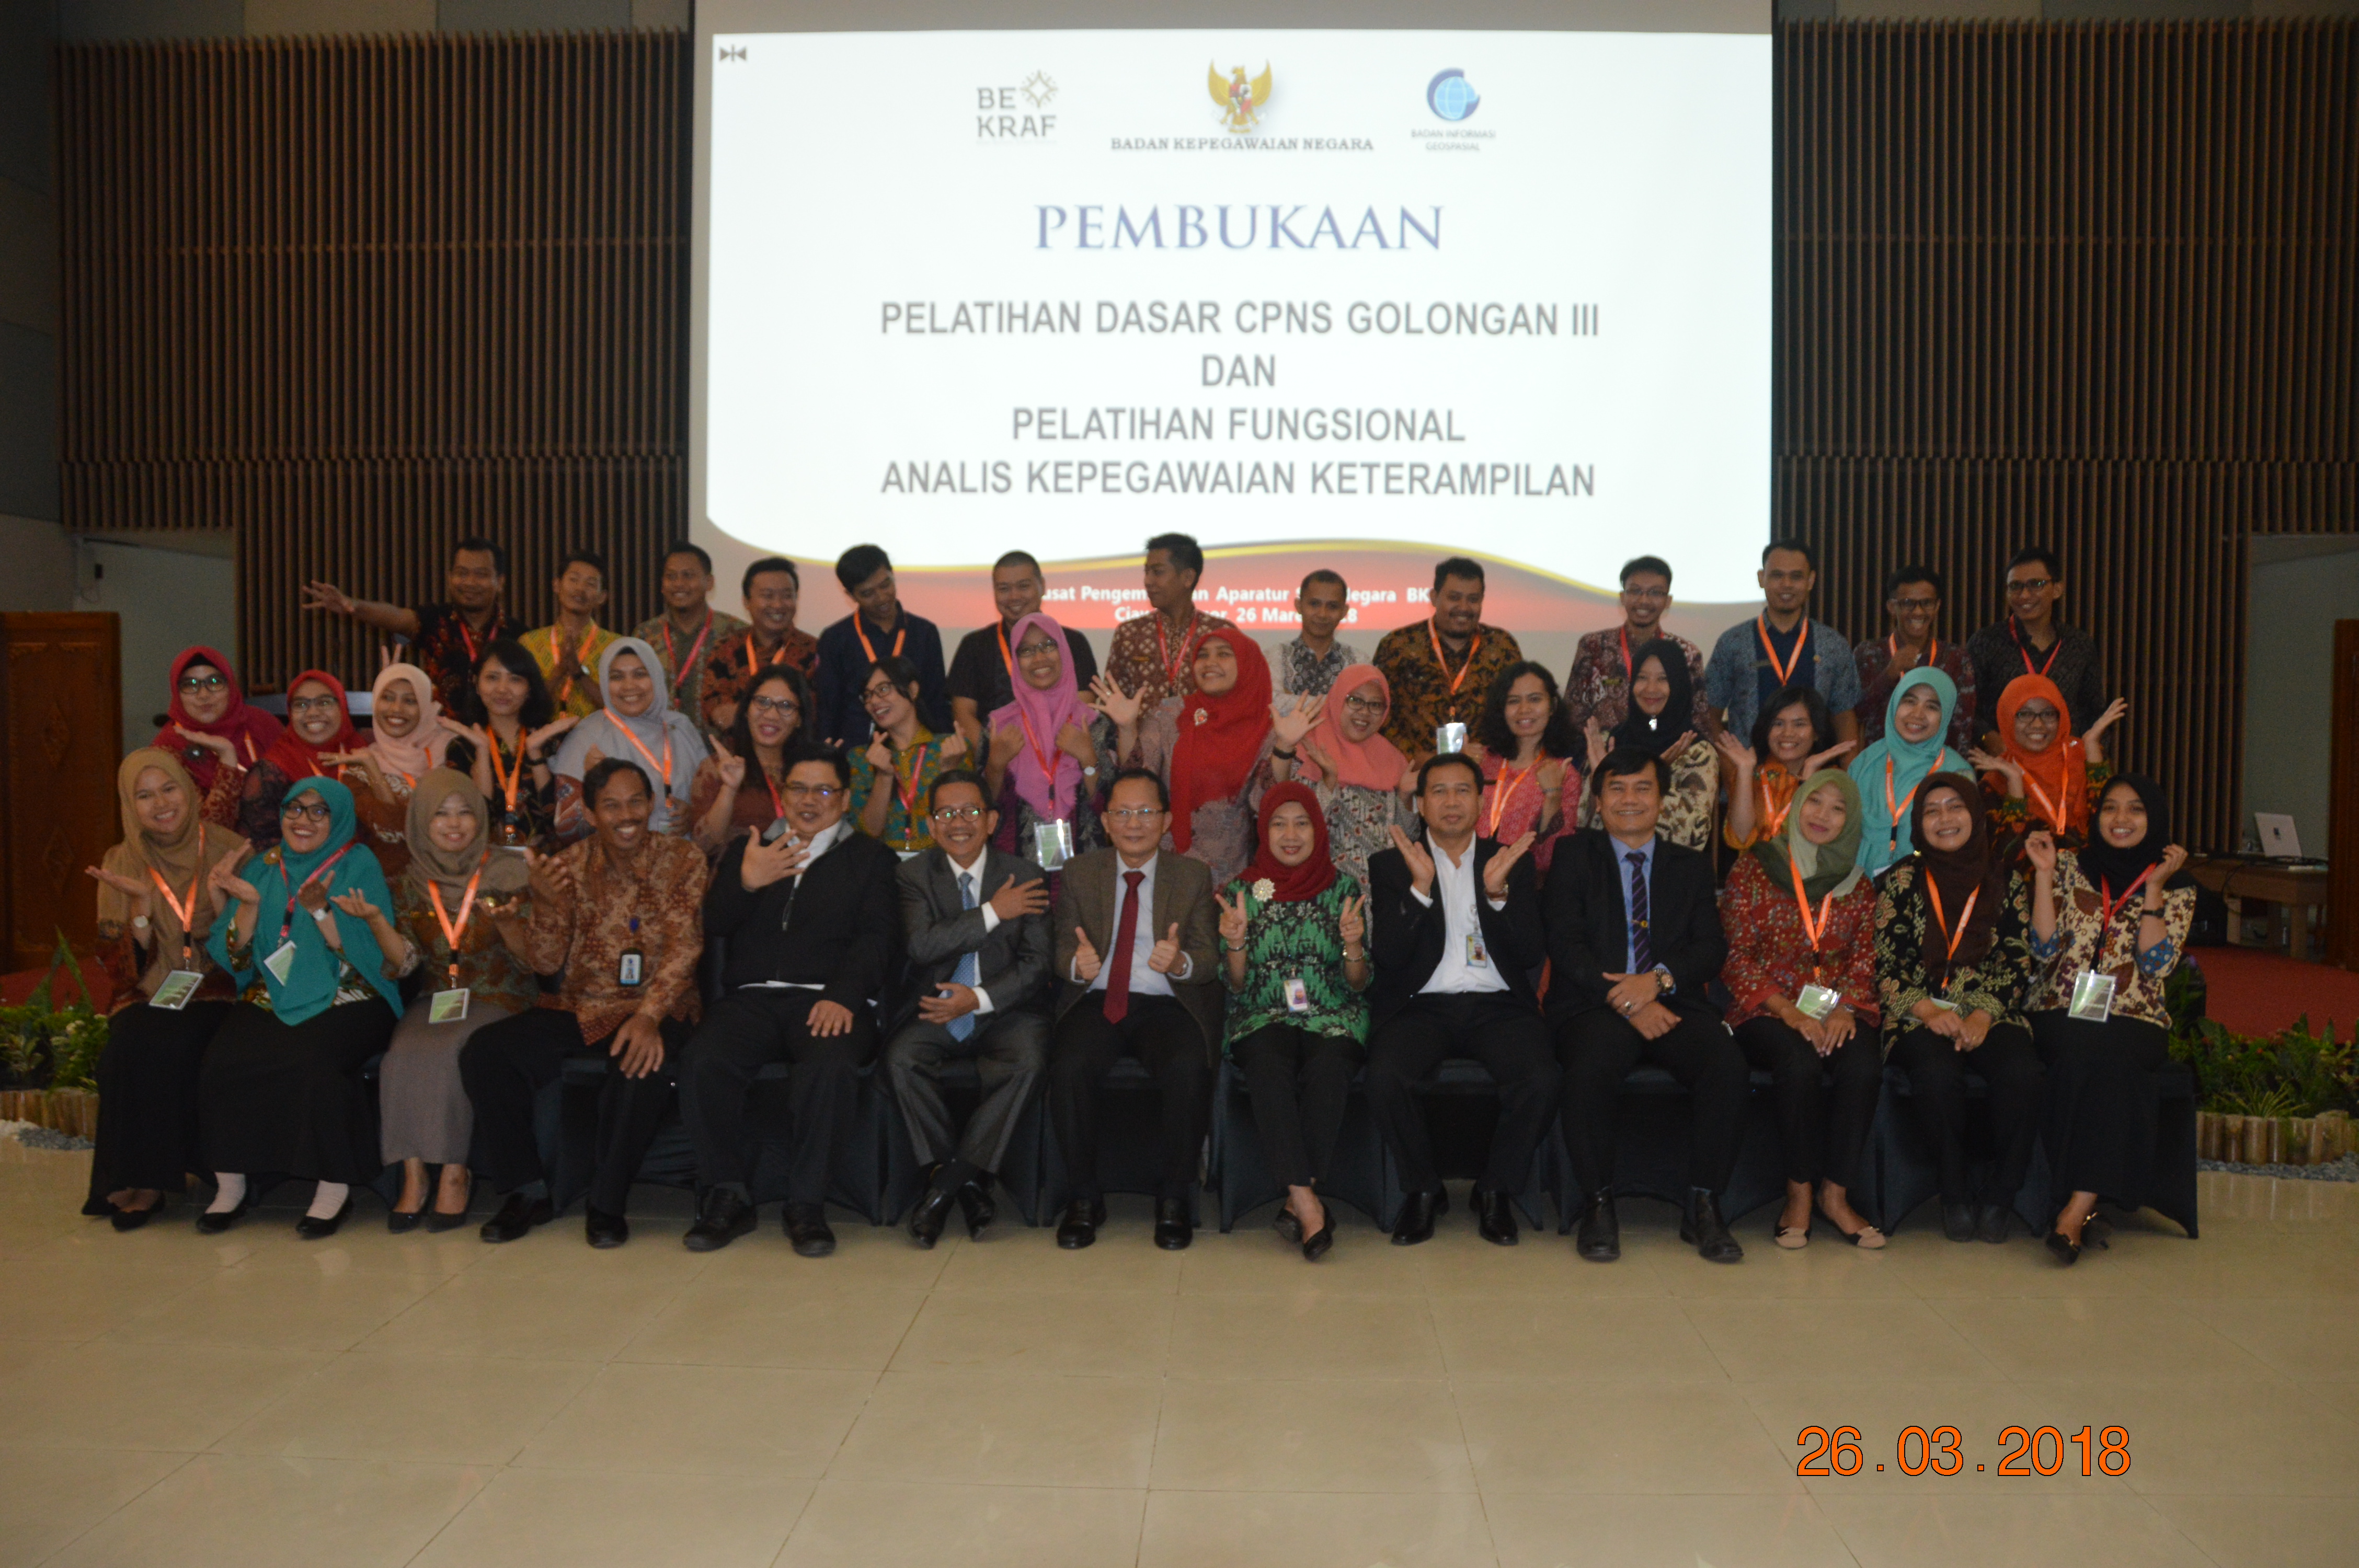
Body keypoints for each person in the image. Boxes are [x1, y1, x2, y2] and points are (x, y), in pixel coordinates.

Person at [462, 758, 708, 1248]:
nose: (626, 815)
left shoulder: (683, 858)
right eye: (611, 806)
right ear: (592, 814)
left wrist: (648, 1017)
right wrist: (545, 902)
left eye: (636, 802)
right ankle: (526, 1190)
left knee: (639, 1065)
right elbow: (545, 960)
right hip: (582, 1006)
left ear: (652, 804)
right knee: (485, 1052)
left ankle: (607, 1204)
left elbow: (685, 948)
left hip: (659, 1004)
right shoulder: (569, 866)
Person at [679, 746, 902, 1258]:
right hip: (752, 998)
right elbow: (715, 923)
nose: (809, 800)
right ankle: (728, 1195)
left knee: (831, 1065)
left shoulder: (871, 859)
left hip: (828, 999)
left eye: (823, 790)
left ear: (844, 799)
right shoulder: (751, 847)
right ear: (783, 794)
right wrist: (747, 882)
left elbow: (879, 939)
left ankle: (807, 1204)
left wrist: (845, 996)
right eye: (798, 788)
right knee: (702, 1060)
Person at [1548, 748, 1745, 1264]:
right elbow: (1565, 944)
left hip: (1672, 1000)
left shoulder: (1690, 865)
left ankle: (1704, 1205)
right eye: (1616, 788)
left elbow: (1710, 948)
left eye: (1642, 788)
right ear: (1598, 801)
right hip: (1594, 1003)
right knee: (1590, 1065)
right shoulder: (1573, 857)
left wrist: (1654, 984)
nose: (1629, 799)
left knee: (1725, 1064)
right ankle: (1597, 1204)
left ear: (1662, 800)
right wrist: (1629, 1001)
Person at [197, 777, 403, 1238]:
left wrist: (323, 913)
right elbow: (236, 959)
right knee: (223, 1059)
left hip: (350, 991)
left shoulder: (358, 863)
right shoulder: (265, 866)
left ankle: (332, 1189)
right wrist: (247, 906)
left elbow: (374, 954)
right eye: (295, 808)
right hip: (274, 991)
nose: (302, 820)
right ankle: (231, 1186)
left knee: (315, 1060)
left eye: (318, 811)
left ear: (339, 818)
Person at [1362, 753, 1553, 1247]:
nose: (1451, 802)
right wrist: (1420, 891)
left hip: (1497, 1004)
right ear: (1421, 804)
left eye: (1462, 790)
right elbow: (1388, 956)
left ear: (1481, 802)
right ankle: (1424, 1190)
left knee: (1541, 1077)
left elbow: (1530, 953)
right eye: (1439, 792)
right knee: (1385, 1075)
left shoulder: (1508, 859)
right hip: (1421, 1005)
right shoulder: (1391, 864)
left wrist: (1498, 896)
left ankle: (1495, 1190)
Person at [341, 770, 536, 1231]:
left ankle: (453, 1172)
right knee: (402, 1054)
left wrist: (508, 924)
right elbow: (407, 961)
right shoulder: (410, 881)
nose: (454, 824)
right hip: (438, 998)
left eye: (465, 812)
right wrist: (377, 922)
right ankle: (414, 1176)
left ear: (480, 818)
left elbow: (534, 961)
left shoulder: (510, 872)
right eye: (440, 814)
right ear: (421, 823)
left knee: (450, 1050)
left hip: (501, 993)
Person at [1047, 768, 1221, 1252]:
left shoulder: (1192, 875)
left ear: (1165, 821)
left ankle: (1175, 1197)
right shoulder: (1080, 872)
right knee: (1068, 1065)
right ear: (1105, 822)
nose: (1134, 823)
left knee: (1188, 1064)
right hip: (1098, 997)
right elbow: (1061, 947)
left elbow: (1208, 957)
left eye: (1146, 812)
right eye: (1122, 813)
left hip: (1166, 1000)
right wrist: (1076, 965)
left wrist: (1181, 962)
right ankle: (1084, 1198)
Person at [2024, 775, 2195, 1264]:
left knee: (2111, 1057)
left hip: (2136, 1015)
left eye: (2136, 809)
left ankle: (2073, 1209)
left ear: (2154, 818)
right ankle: (2079, 1205)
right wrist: (2043, 876)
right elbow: (2044, 950)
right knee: (2089, 1054)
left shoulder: (2179, 886)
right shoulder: (2068, 867)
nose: (2121, 819)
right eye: (2111, 808)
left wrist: (2154, 888)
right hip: (2059, 1006)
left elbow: (2157, 965)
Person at [1717, 770, 1885, 1247]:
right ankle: (1799, 1194)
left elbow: (1864, 959)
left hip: (1836, 1010)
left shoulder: (1858, 885)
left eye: (1838, 809)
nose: (1823, 816)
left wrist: (1844, 1009)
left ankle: (1836, 1194)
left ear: (1851, 822)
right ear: (1797, 806)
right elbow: (1736, 956)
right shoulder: (1755, 868)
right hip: (1766, 1010)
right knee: (1799, 1063)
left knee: (1863, 1065)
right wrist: (1791, 1014)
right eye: (1815, 802)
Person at [82, 750, 249, 1229]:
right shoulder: (121, 861)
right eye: (144, 795)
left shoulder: (228, 850)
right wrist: (140, 912)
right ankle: (133, 1178)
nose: (160, 804)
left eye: (169, 789)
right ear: (129, 805)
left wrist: (220, 906)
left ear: (190, 791)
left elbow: (251, 947)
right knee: (124, 1047)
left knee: (165, 1043)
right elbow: (120, 972)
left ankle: (150, 1181)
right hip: (150, 989)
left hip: (218, 988)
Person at [887, 769, 1053, 1248]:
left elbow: (1037, 964)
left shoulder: (1026, 875)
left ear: (992, 820)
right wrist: (995, 911)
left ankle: (946, 1185)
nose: (958, 822)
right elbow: (923, 945)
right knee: (901, 1059)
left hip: (1007, 1009)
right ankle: (971, 1186)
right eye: (946, 813)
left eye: (971, 812)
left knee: (1028, 1060)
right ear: (931, 825)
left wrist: (978, 999)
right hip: (937, 1006)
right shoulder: (913, 875)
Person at [1874, 774, 2043, 1244]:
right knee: (1935, 1073)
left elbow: (2016, 958)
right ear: (1918, 823)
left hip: (1991, 1010)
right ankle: (1953, 1192)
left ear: (1975, 814)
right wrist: (1927, 1011)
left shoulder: (2004, 880)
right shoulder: (1901, 881)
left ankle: (2002, 1194)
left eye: (1955, 807)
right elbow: (1886, 963)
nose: (1944, 818)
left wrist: (1983, 1014)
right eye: (1932, 811)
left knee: (2022, 1073)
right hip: (1917, 1010)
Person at [1217, 782, 1370, 1260]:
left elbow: (1358, 984)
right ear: (1263, 832)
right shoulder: (1243, 891)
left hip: (1332, 1012)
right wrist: (1236, 943)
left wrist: (1353, 946)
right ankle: (1307, 1202)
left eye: (1301, 823)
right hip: (1261, 1012)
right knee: (1268, 1067)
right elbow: (1235, 985)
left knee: (1330, 1064)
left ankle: (1297, 1200)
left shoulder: (1343, 888)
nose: (1290, 835)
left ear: (1318, 830)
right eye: (1278, 824)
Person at [1101, 628, 1280, 888]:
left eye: (1224, 654)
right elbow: (1138, 780)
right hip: (1165, 871)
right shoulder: (1170, 713)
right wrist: (1127, 728)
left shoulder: (1266, 729)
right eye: (1203, 655)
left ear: (1247, 664)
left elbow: (1267, 803)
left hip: (1230, 876)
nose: (1210, 662)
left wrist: (1285, 747)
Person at [303, 536, 513, 715]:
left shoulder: (519, 637)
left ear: (501, 582)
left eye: (481, 575)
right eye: (462, 573)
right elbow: (397, 618)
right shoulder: (435, 620)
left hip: (501, 741)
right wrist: (354, 606)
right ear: (450, 578)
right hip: (439, 739)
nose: (470, 582)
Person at [980, 611, 1109, 881]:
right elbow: (984, 810)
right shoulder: (999, 727)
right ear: (1016, 660)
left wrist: (1088, 758)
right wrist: (995, 765)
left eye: (1048, 646)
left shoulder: (1093, 723)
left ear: (1064, 651)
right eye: (1026, 651)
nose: (1039, 658)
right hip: (1016, 872)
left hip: (1088, 870)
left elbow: (1110, 808)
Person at [1706, 538, 1862, 751]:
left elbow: (1844, 715)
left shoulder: (1833, 645)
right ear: (1762, 578)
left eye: (1796, 577)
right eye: (1777, 575)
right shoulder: (1733, 642)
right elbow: (1710, 713)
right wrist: (1730, 765)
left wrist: (1850, 769)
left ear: (1811, 580)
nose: (1787, 584)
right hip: (1748, 767)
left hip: (1814, 768)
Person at [549, 639, 711, 840]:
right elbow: (565, 828)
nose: (629, 686)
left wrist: (695, 815)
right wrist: (593, 784)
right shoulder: (587, 737)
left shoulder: (680, 727)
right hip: (617, 857)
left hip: (683, 853)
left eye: (640, 674)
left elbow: (711, 799)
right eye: (617, 677)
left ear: (656, 677)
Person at [1272, 662, 1413, 892]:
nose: (1364, 712)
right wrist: (1329, 779)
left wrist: (1405, 798)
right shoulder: (1306, 749)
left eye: (1376, 705)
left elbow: (1407, 837)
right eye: (1355, 700)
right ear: (1337, 699)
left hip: (1381, 891)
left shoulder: (1393, 759)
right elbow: (1296, 828)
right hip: (1323, 891)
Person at [946, 551, 1101, 758]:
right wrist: (993, 757)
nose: (1014, 597)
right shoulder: (974, 645)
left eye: (1023, 586)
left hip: (1062, 758)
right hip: (996, 760)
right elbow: (963, 713)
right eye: (1004, 589)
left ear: (1042, 586)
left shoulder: (1072, 642)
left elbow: (1083, 707)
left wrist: (1045, 760)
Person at [1371, 556, 1523, 760]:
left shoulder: (1502, 646)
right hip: (1414, 771)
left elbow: (1517, 711)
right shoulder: (1399, 645)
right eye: (1454, 598)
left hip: (1487, 770)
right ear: (1434, 598)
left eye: (1473, 599)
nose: (1464, 607)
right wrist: (1422, 760)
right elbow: (1380, 714)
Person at [1578, 639, 1717, 852]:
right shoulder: (1608, 743)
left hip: (1669, 868)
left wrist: (1656, 776)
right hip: (1603, 864)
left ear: (1678, 683)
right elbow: (1582, 824)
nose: (1651, 689)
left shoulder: (1696, 752)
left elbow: (1690, 837)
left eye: (1663, 679)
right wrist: (1598, 782)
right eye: (1642, 678)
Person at [441, 639, 574, 850]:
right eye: (492, 678)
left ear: (530, 688)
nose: (502, 689)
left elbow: (564, 821)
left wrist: (536, 756)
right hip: (486, 862)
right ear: (476, 683)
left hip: (548, 860)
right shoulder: (462, 748)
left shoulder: (554, 741)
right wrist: (482, 755)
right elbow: (471, 824)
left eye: (515, 679)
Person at [1967, 674, 2126, 846]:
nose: (2038, 725)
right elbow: (2005, 852)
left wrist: (2092, 745)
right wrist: (2015, 784)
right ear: (2007, 717)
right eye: (2025, 714)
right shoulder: (1997, 777)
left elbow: (2111, 823)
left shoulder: (2084, 755)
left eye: (2048, 714)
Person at [1561, 556, 1712, 737]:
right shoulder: (1594, 646)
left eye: (1655, 593)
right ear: (1622, 597)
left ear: (1668, 601)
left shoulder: (1686, 653)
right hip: (1604, 751)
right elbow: (1573, 715)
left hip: (1668, 750)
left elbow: (1699, 720)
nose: (1644, 601)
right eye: (1635, 591)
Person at [814, 544, 948, 746]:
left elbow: (935, 700)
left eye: (886, 585)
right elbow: (829, 710)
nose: (882, 598)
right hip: (856, 749)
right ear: (851, 595)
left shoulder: (923, 633)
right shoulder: (835, 639)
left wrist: (943, 746)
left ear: (893, 575)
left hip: (917, 749)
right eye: (868, 593)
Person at [1966, 546, 2106, 739]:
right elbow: (1967, 707)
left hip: (2064, 755)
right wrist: (1992, 742)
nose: (2024, 595)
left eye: (2036, 584)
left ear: (2057, 589)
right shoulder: (1985, 643)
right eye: (2015, 586)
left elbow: (2093, 711)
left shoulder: (2079, 645)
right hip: (2003, 754)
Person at [1849, 668, 1972, 877]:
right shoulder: (1866, 763)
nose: (1917, 714)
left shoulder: (1957, 772)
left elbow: (1965, 844)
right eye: (1909, 701)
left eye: (1932, 707)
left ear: (1945, 715)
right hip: (1858, 883)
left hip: (1928, 882)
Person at [340, 662, 453, 883]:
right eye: (387, 698)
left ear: (425, 705)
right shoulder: (358, 771)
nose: (396, 709)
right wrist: (373, 769)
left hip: (448, 882)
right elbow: (391, 833)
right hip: (383, 885)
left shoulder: (450, 755)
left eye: (410, 701)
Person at [1102, 532, 1238, 713]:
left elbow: (1237, 700)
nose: (1148, 581)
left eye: (1158, 572)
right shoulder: (1130, 633)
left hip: (1205, 731)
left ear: (1188, 578)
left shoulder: (1221, 632)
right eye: (1146, 572)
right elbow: (1110, 704)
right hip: (1138, 732)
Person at [688, 665, 814, 858]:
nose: (771, 715)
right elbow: (703, 846)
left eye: (786, 706)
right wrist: (729, 789)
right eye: (762, 702)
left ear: (799, 719)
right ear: (746, 710)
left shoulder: (810, 769)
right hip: (738, 874)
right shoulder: (719, 767)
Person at [1465, 662, 1578, 878]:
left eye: (1535, 699)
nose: (1524, 709)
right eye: (1513, 701)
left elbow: (1554, 857)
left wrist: (1553, 796)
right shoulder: (1480, 761)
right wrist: (1459, 767)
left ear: (1552, 706)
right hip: (1468, 875)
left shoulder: (1564, 774)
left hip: (1525, 882)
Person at [848, 655, 968, 854]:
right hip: (882, 863)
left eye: (883, 690)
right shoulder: (861, 758)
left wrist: (949, 771)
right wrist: (884, 776)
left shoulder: (951, 747)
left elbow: (964, 822)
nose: (874, 701)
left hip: (939, 861)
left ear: (912, 690)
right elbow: (869, 832)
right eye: (868, 696)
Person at [1853, 565, 1977, 751]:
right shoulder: (1868, 653)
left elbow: (1963, 727)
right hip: (1883, 761)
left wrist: (1954, 767)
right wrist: (1889, 675)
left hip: (1938, 762)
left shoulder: (1956, 658)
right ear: (1892, 607)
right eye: (1908, 603)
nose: (1918, 612)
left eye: (1927, 603)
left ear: (1937, 606)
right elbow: (1854, 714)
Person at [632, 541, 748, 736]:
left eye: (688, 575)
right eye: (671, 576)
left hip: (719, 749)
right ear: (662, 584)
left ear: (709, 582)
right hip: (658, 746)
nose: (679, 584)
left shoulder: (735, 633)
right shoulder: (645, 635)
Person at [154, 645, 280, 826]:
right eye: (190, 685)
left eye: (214, 682)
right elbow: (206, 830)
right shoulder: (166, 750)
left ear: (231, 685)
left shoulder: (262, 724)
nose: (204, 695)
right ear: (177, 693)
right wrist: (227, 756)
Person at [1716, 684, 1851, 851]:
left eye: (1799, 724)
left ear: (1817, 732)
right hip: (1755, 867)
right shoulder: (1752, 774)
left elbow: (1811, 842)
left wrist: (1809, 775)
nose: (1787, 733)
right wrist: (1744, 770)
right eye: (1778, 724)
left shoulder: (1833, 780)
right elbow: (1740, 838)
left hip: (1807, 867)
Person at [239, 670, 362, 849]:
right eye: (301, 705)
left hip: (361, 861)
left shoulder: (360, 753)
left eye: (324, 703)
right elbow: (261, 845)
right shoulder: (272, 770)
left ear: (342, 707)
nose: (313, 713)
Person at [701, 555, 820, 734]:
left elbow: (815, 714)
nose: (778, 605)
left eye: (787, 596)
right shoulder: (726, 649)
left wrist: (743, 712)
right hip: (737, 751)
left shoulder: (815, 651)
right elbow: (717, 712)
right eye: (768, 596)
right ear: (747, 601)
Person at [519, 549, 620, 721]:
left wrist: (579, 673)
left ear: (602, 597)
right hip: (542, 735)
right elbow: (522, 706)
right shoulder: (529, 643)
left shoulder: (616, 646)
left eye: (590, 584)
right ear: (557, 585)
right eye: (574, 580)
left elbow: (622, 709)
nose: (580, 589)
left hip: (597, 737)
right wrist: (559, 672)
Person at [1273, 569, 1364, 697]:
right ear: (1299, 606)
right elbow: (1273, 702)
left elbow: (1362, 706)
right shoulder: (1275, 657)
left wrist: (1290, 699)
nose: (1322, 614)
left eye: (1332, 606)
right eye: (1314, 604)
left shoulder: (1359, 662)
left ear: (1344, 612)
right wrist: (1339, 702)